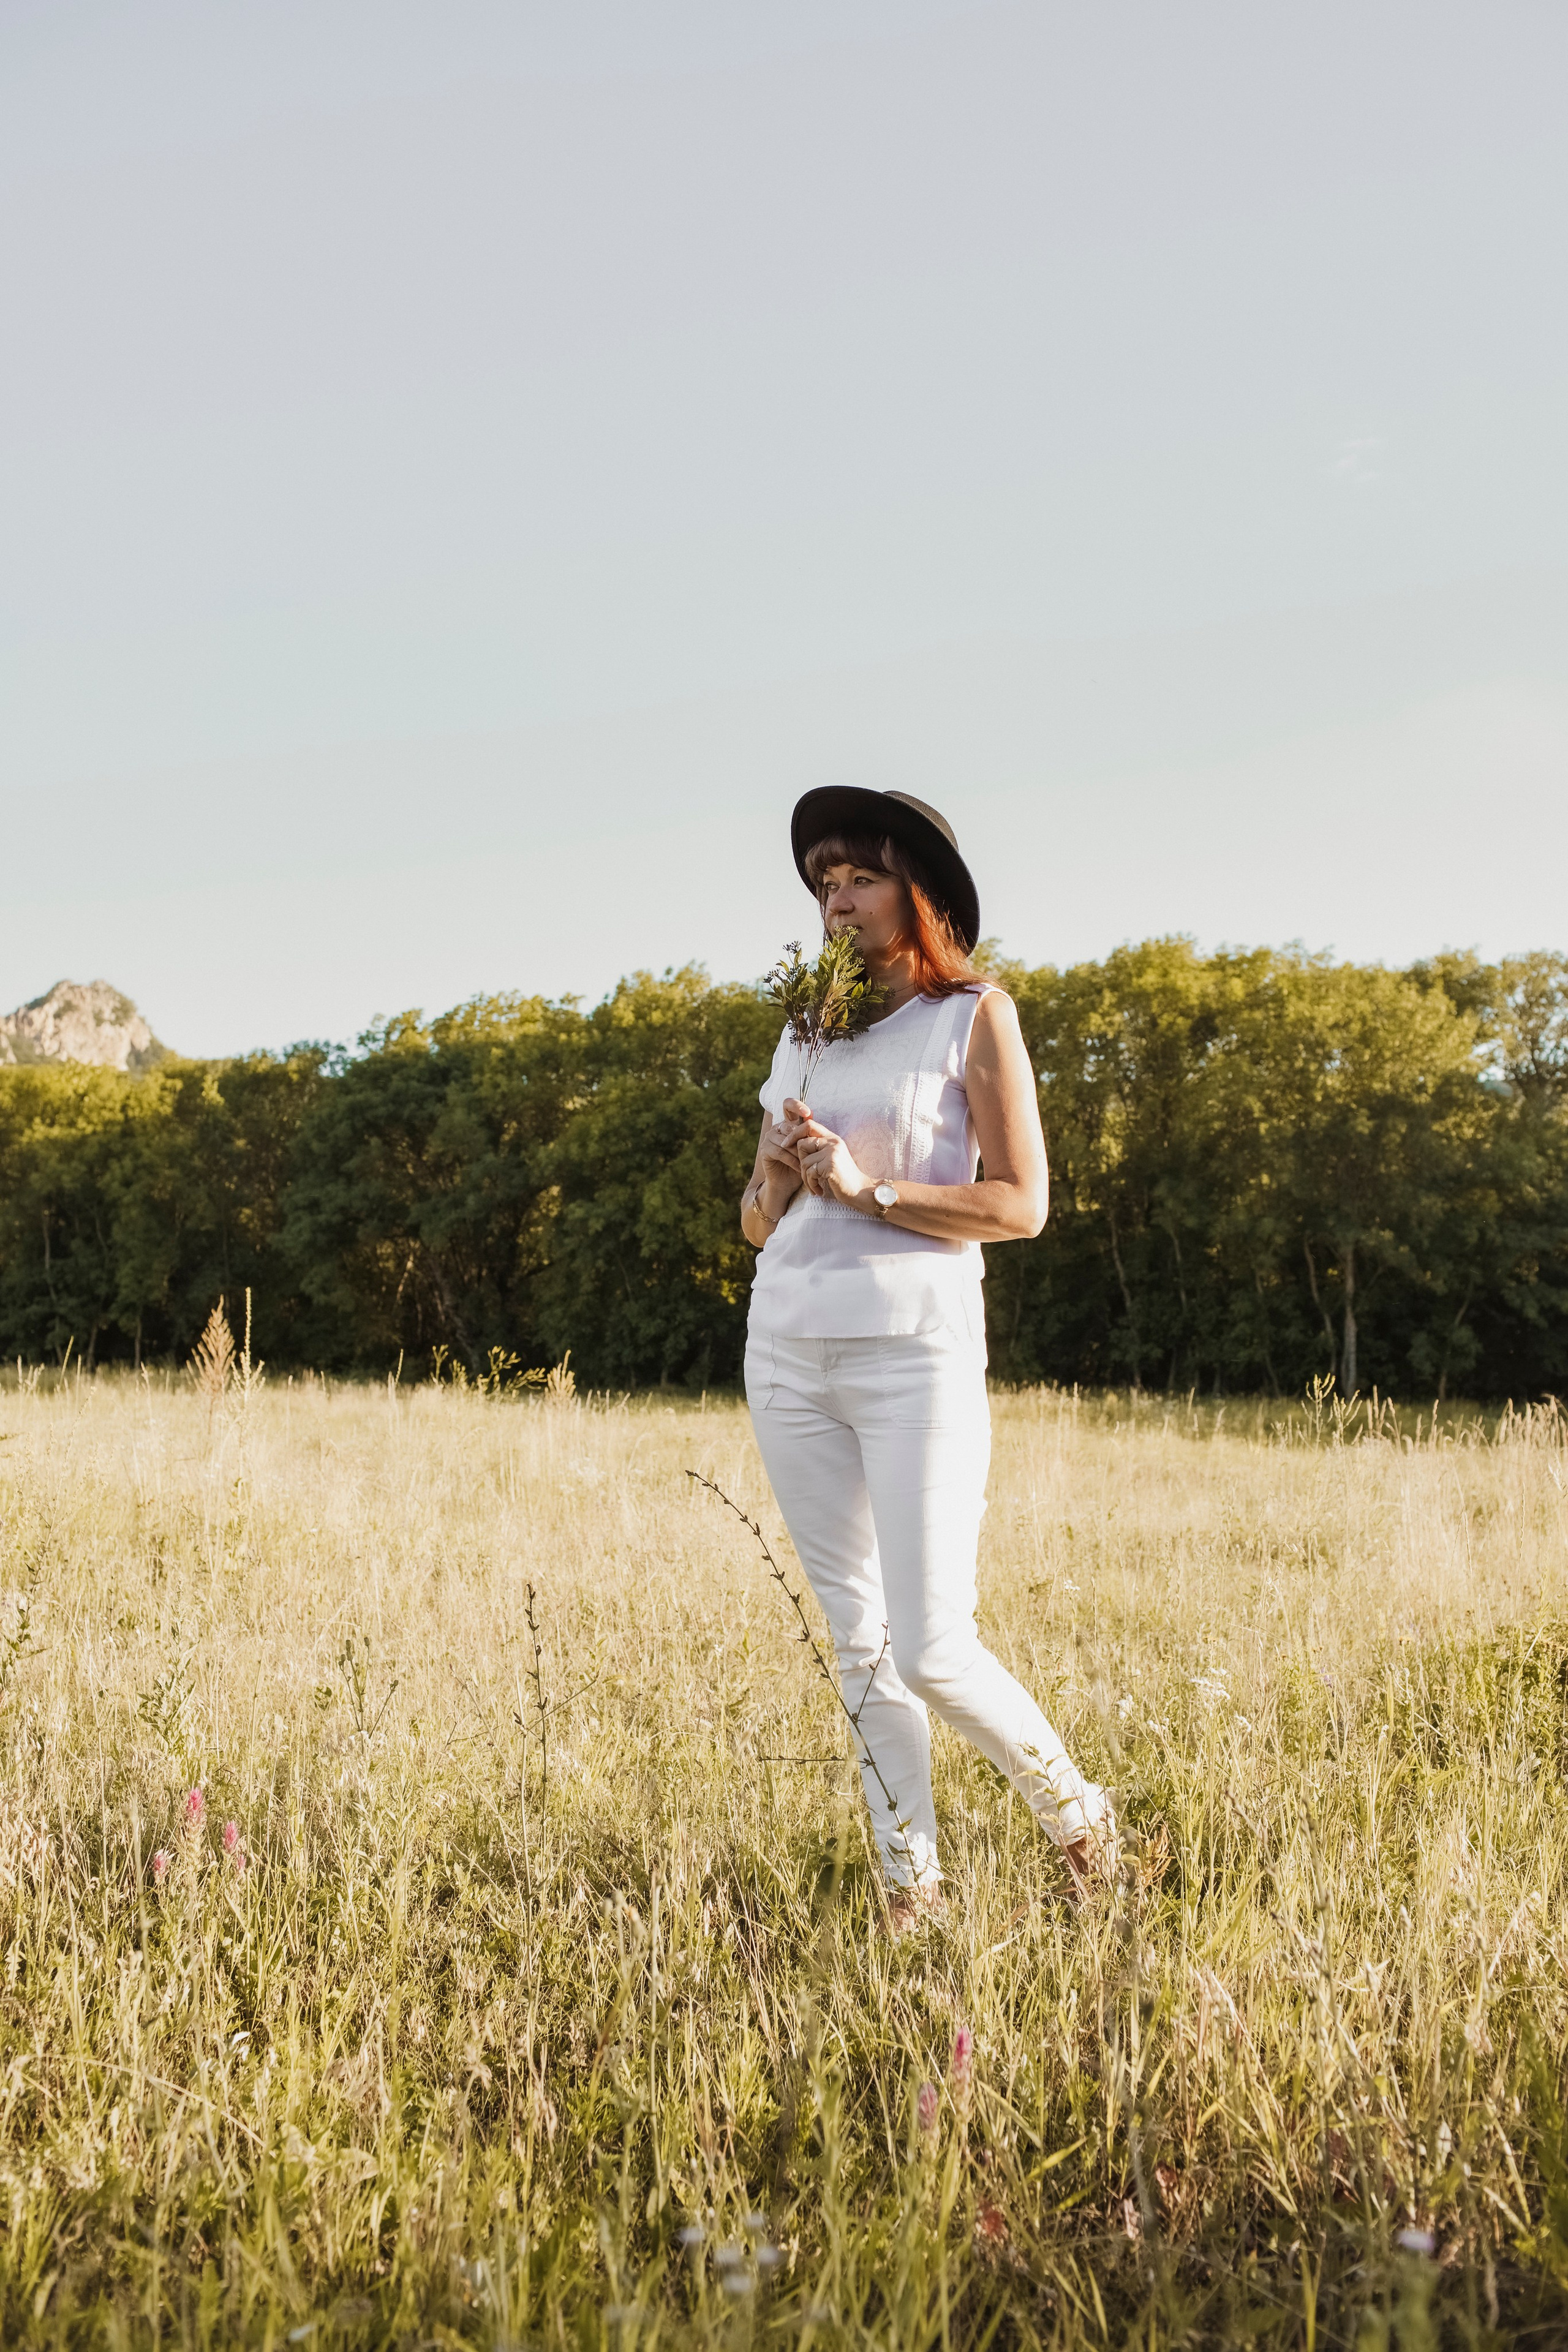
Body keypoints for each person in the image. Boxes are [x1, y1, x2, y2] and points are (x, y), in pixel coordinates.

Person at [739, 787, 1117, 1924]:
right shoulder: (803, 1034)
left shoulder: (973, 1016)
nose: (835, 901)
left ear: (919, 893)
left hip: (914, 1358)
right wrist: (778, 1168)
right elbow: (758, 1224)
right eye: (821, 884)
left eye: (856, 877)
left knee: (934, 1646)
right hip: (789, 1356)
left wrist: (873, 1188)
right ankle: (913, 1892)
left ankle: (1081, 1821)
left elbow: (1022, 1203)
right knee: (860, 1649)